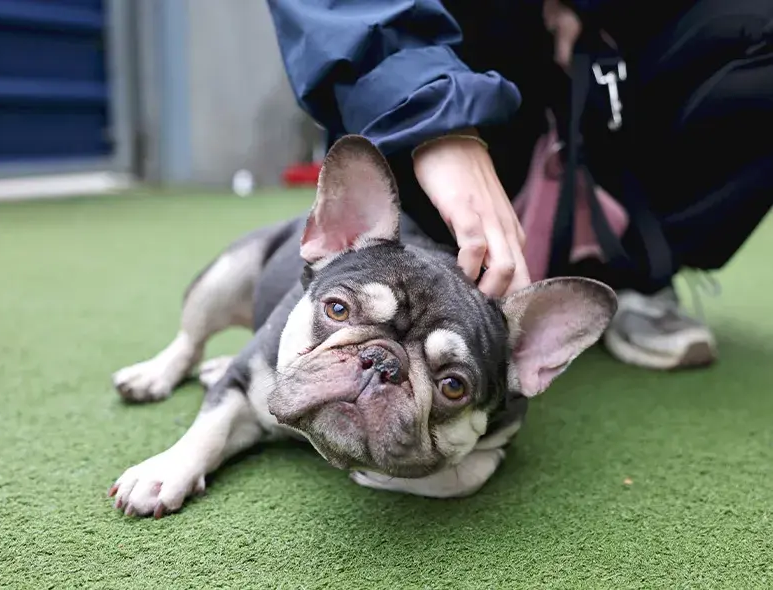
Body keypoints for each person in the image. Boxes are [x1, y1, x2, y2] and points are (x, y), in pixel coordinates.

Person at [266, 0, 773, 370]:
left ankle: (630, 273)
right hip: (449, 45)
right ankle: (428, 276)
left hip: (605, 74)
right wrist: (434, 114)